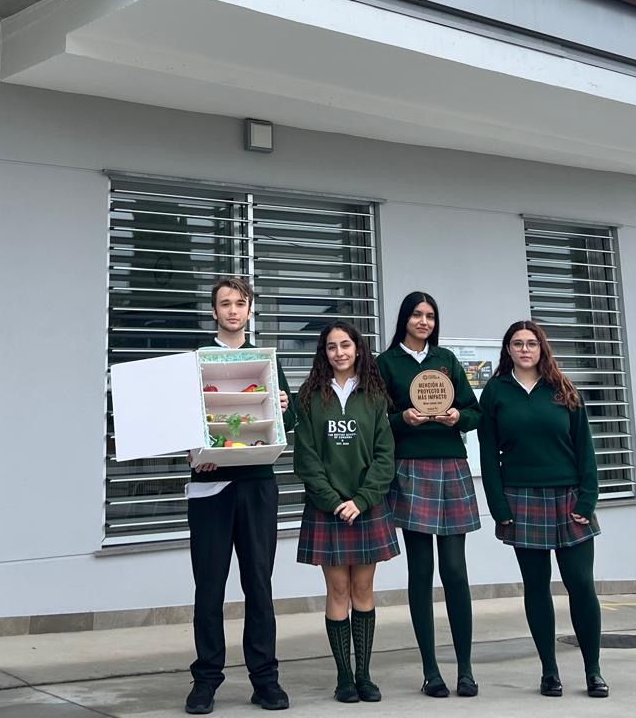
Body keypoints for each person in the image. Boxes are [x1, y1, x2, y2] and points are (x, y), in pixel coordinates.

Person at [477, 320, 607, 699]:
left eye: (531, 343)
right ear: (508, 350)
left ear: (541, 348)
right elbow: (487, 456)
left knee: (581, 585)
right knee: (536, 587)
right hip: (521, 500)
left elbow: (586, 448)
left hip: (569, 499)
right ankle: (549, 672)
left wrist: (588, 499)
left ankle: (593, 671)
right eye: (516, 343)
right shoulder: (496, 393)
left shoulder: (563, 389)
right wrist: (499, 506)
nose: (524, 349)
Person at [185, 276, 296, 715]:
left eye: (240, 303)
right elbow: (178, 421)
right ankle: (206, 681)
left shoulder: (266, 362)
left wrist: (285, 407)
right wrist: (196, 454)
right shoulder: (195, 360)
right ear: (214, 311)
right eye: (225, 303)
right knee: (209, 589)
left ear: (250, 310)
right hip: (210, 487)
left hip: (257, 485)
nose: (233, 310)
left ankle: (265, 680)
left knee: (259, 586)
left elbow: (291, 423)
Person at [376, 292, 481, 697]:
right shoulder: (386, 364)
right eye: (417, 315)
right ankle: (431, 670)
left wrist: (459, 417)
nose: (424, 322)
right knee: (421, 571)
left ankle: (466, 669)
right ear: (404, 319)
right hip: (410, 469)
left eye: (430, 316)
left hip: (451, 466)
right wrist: (402, 419)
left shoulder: (447, 361)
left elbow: (474, 412)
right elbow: (376, 421)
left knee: (455, 569)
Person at [292, 320, 398, 704]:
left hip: (366, 506)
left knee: (363, 590)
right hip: (328, 508)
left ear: (358, 349)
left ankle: (365, 675)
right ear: (324, 353)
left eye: (345, 345)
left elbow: (386, 456)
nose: (339, 352)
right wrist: (334, 501)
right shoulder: (309, 396)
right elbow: (305, 458)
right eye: (331, 347)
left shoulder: (374, 395)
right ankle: (343, 678)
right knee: (337, 591)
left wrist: (363, 499)